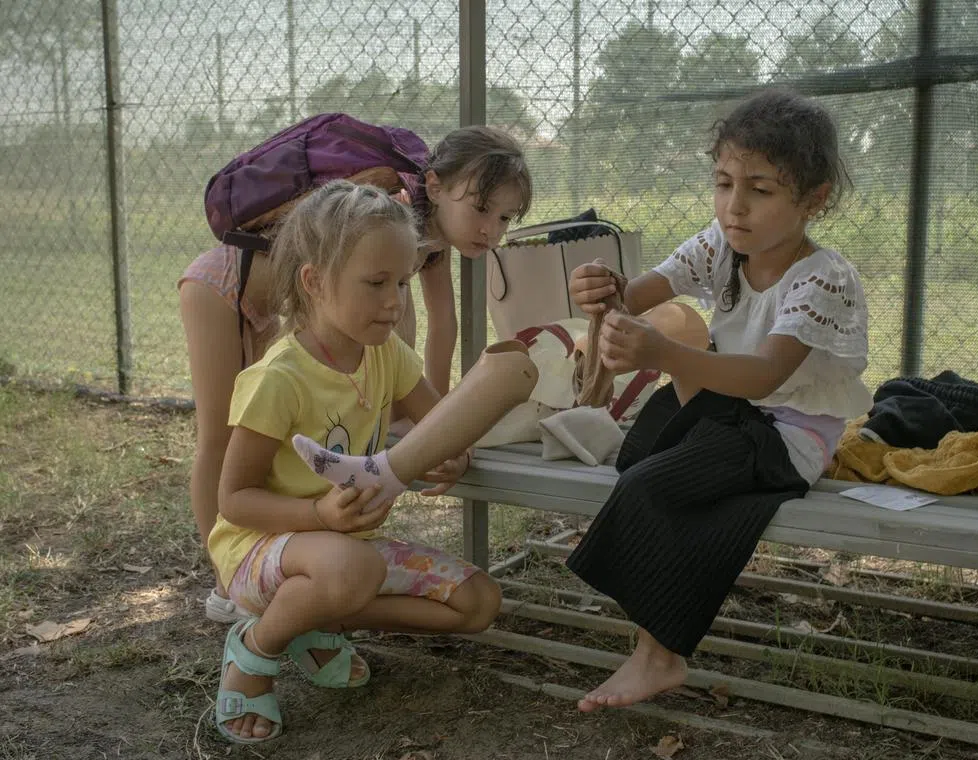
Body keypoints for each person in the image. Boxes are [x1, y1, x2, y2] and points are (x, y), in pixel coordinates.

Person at [564, 89, 872, 711]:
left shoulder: (823, 276)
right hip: (733, 415)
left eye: (761, 189)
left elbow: (764, 376)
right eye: (724, 182)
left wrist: (665, 355)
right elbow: (640, 294)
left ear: (815, 199)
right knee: (639, 459)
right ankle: (653, 639)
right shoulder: (721, 245)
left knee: (650, 485)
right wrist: (602, 290)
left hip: (787, 437)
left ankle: (659, 656)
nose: (736, 206)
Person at [178, 124, 532, 623]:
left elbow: (440, 328)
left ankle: (302, 596)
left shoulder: (420, 246)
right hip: (226, 285)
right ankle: (228, 585)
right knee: (219, 435)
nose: (491, 230)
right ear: (435, 187)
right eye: (481, 209)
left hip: (291, 302)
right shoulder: (382, 215)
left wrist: (440, 433)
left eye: (504, 218)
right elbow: (396, 339)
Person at [210, 180, 502, 743]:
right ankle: (253, 651)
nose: (395, 301)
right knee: (352, 570)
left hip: (345, 552)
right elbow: (233, 501)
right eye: (375, 283)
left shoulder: (386, 355)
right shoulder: (279, 380)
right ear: (315, 282)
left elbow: (440, 424)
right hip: (258, 553)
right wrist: (320, 516)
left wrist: (450, 455)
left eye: (402, 281)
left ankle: (312, 621)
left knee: (478, 603)